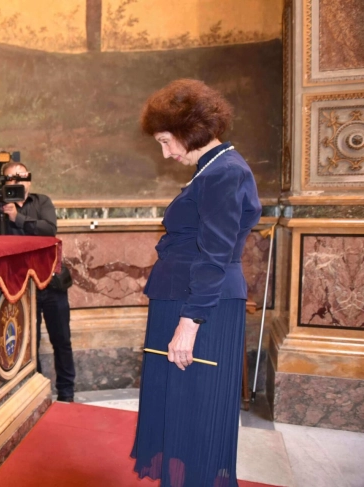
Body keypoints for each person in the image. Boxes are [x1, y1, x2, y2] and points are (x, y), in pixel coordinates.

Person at [131, 79, 262, 487]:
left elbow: (215, 255)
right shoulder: (213, 169)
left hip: (199, 306)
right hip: (187, 299)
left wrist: (188, 325)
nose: (165, 152)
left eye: (166, 140)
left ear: (190, 130)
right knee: (180, 410)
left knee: (196, 412)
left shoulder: (224, 172)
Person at [0, 162, 76, 402]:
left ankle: (67, 393)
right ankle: (36, 394)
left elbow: (49, 230)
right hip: (19, 287)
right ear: (3, 182)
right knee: (29, 343)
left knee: (62, 340)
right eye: (12, 178)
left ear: (29, 180)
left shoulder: (41, 202)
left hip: (50, 284)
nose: (18, 182)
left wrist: (17, 217)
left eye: (22, 177)